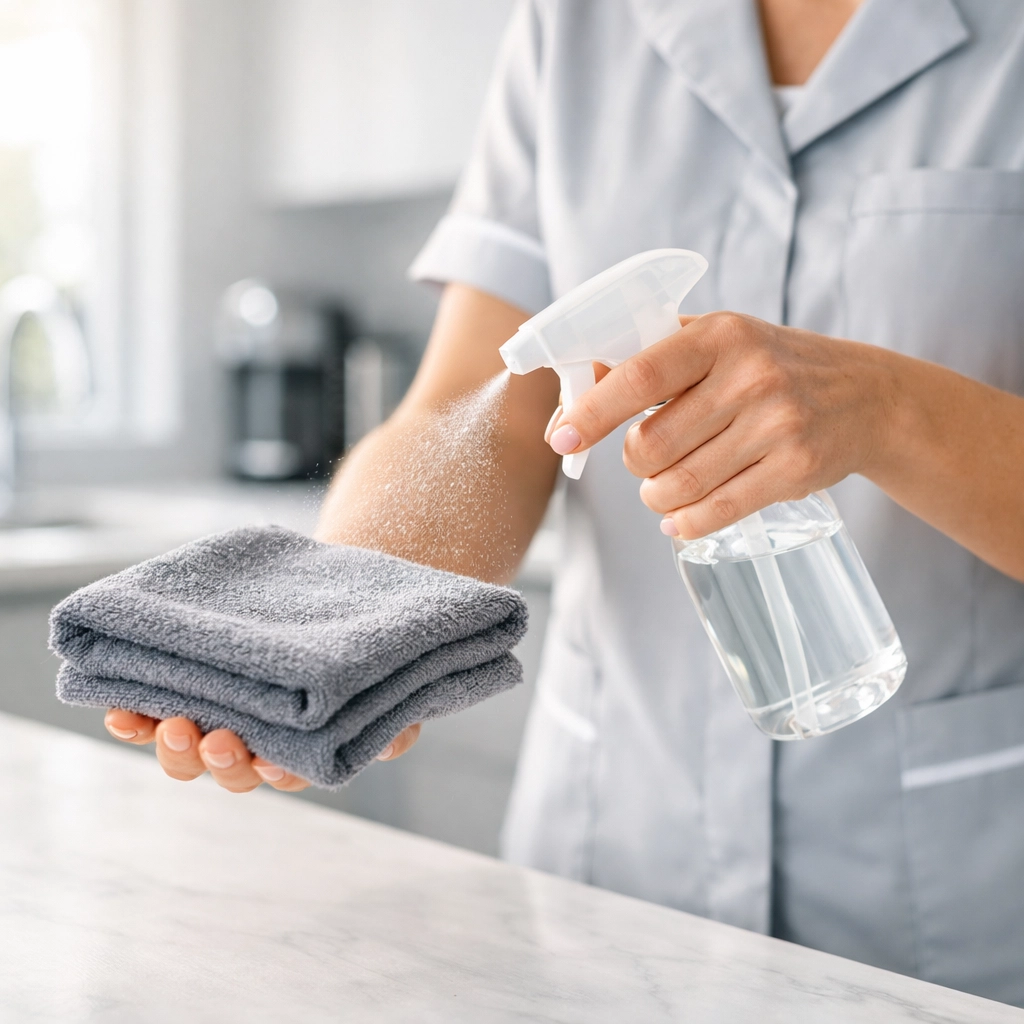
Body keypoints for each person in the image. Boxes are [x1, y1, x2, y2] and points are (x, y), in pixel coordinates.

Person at [104, 0, 1024, 1005]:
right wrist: (348, 631)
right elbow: (484, 414)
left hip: (960, 905)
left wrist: (891, 410)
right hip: (614, 878)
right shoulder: (576, 24)